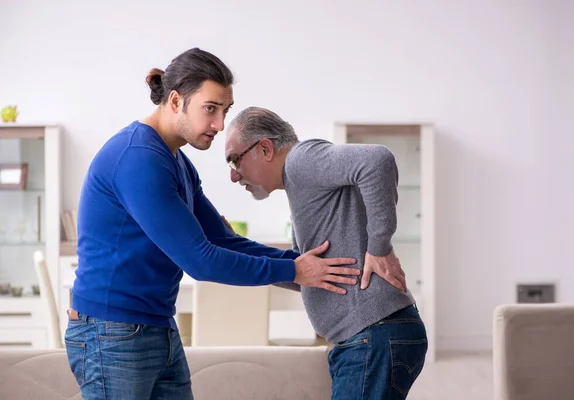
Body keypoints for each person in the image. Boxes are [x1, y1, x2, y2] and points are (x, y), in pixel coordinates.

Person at [65, 48, 360, 400]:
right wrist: (295, 271)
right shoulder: (138, 159)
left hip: (155, 325)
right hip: (111, 332)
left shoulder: (177, 162)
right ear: (175, 101)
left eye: (226, 110)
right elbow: (201, 260)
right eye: (210, 109)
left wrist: (306, 269)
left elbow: (222, 240)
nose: (220, 125)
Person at [224, 107, 428, 400]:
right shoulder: (298, 184)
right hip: (369, 336)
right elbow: (306, 274)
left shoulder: (300, 161)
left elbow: (377, 160)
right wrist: (235, 245)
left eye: (234, 160)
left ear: (265, 148)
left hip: (373, 334)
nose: (233, 175)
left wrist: (379, 247)